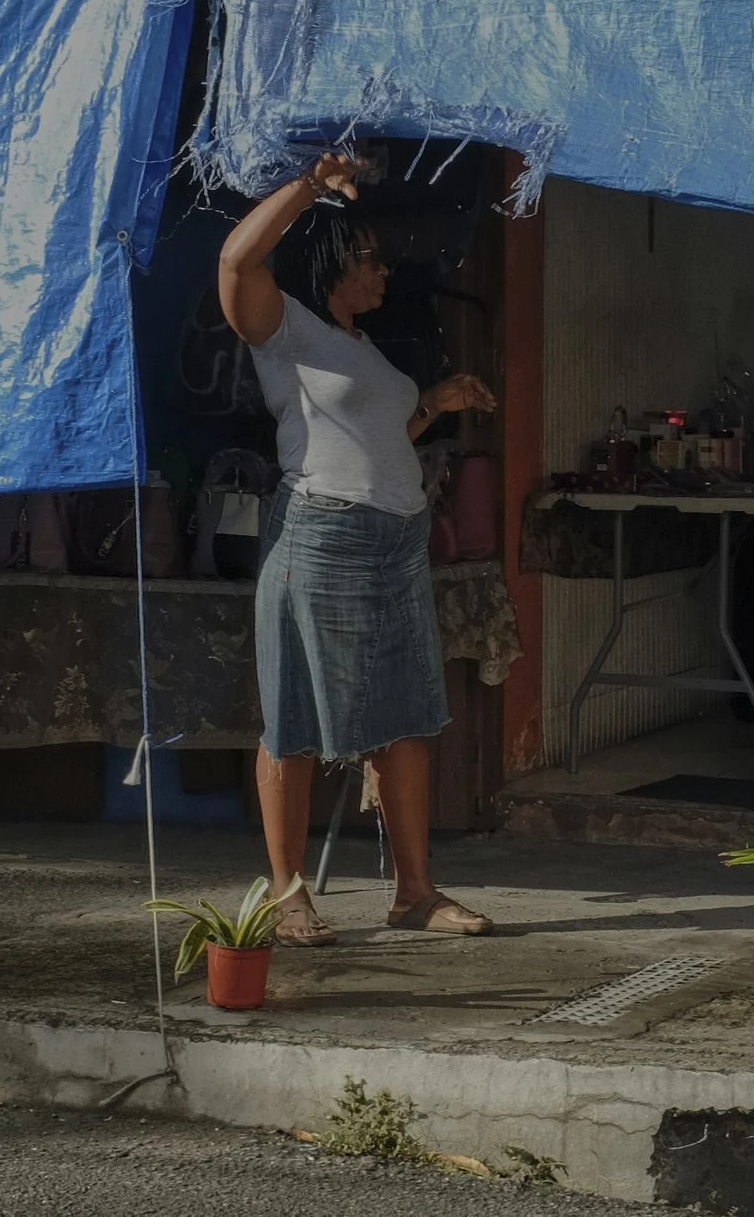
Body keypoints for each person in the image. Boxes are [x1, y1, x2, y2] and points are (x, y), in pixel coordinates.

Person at [217, 150, 499, 943]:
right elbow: (236, 260)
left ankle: (415, 893)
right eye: (368, 256)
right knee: (294, 720)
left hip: (396, 543)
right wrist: (309, 185)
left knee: (406, 719)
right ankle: (288, 894)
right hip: (322, 538)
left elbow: (377, 436)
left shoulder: (362, 347)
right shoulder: (284, 329)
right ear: (329, 261)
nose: (383, 270)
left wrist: (432, 403)